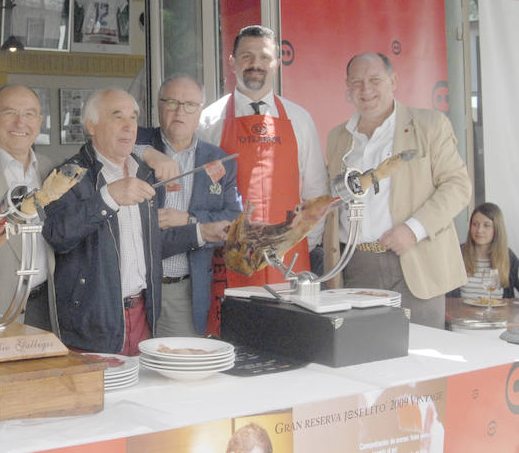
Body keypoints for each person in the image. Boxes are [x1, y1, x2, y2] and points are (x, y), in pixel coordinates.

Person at [42, 88, 230, 355]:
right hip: (92, 322)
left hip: (142, 314)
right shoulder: (69, 175)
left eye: (133, 117)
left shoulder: (144, 173)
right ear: (91, 126)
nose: (129, 126)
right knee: (100, 396)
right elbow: (57, 236)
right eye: (117, 117)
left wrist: (201, 233)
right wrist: (108, 197)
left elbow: (149, 242)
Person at [323, 52, 471, 328]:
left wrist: (413, 230)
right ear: (347, 87)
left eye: (374, 80)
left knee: (421, 358)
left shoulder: (429, 125)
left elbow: (458, 186)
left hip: (415, 262)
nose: (365, 89)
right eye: (356, 82)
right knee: (363, 361)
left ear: (393, 81)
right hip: (355, 268)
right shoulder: (337, 138)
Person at [197, 25, 327, 288]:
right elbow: (199, 192)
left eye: (265, 57)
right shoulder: (209, 121)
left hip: (289, 256)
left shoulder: (299, 118)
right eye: (246, 56)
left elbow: (315, 190)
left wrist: (304, 243)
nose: (255, 64)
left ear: (276, 63)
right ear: (232, 62)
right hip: (228, 256)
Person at [135, 75, 241, 337]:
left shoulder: (218, 160)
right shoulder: (135, 141)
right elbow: (99, 143)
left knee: (179, 365)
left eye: (190, 105)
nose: (180, 111)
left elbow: (232, 217)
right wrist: (146, 152)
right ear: (158, 106)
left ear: (200, 111)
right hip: (134, 288)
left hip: (181, 289)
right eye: (171, 102)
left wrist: (189, 218)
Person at [0, 84, 59, 332]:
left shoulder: (51, 170)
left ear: (39, 123)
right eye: (9, 113)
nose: (20, 123)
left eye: (29, 114)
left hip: (47, 309)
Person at [448, 203, 518, 299]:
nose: (479, 230)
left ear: (497, 228)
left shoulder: (508, 257)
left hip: (498, 314)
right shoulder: (458, 253)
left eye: (486, 225)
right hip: (461, 313)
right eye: (475, 224)